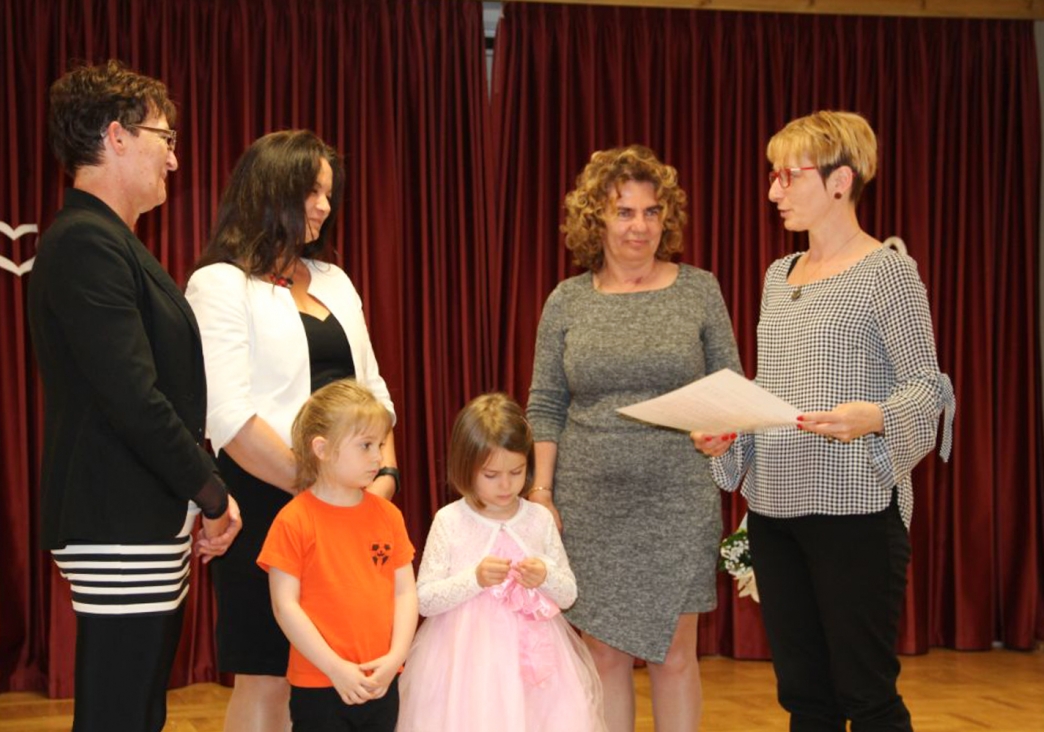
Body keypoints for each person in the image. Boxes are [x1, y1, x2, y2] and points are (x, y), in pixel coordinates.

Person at [693, 110, 955, 731]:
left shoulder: (888, 271)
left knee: (866, 694)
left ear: (841, 180)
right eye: (772, 175)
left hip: (855, 512)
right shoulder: (777, 276)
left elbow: (929, 387)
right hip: (774, 513)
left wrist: (877, 416)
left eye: (788, 175)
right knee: (804, 697)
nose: (773, 191)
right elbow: (772, 390)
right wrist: (730, 433)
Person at [27, 59, 242, 732]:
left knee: (137, 711)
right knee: (121, 714)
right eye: (165, 138)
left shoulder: (107, 240)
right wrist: (210, 490)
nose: (174, 159)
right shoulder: (86, 243)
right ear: (116, 137)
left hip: (138, 516)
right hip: (117, 517)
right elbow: (133, 396)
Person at [185, 129, 400, 731]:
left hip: (353, 508)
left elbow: (375, 393)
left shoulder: (335, 280)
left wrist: (382, 480)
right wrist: (318, 494)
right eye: (312, 192)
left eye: (329, 194)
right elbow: (228, 417)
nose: (324, 207)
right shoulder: (220, 283)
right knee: (268, 674)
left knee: (338, 670)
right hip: (266, 502)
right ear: (270, 190)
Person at [526, 145, 742, 732]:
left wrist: (722, 430)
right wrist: (541, 493)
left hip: (679, 500)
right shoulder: (567, 300)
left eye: (652, 212)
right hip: (591, 504)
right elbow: (545, 404)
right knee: (603, 654)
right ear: (595, 219)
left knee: (675, 655)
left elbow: (730, 387)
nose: (640, 226)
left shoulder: (699, 290)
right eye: (624, 212)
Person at [397, 393, 606, 732]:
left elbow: (568, 594)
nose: (506, 485)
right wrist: (474, 579)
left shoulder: (538, 518)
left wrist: (545, 576)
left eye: (516, 472)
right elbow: (426, 599)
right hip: (468, 667)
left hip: (537, 667)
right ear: (466, 467)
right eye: (491, 475)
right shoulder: (450, 520)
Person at [257, 379, 417, 732]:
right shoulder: (294, 520)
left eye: (380, 445)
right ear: (322, 449)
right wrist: (335, 668)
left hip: (381, 679)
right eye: (365, 445)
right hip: (320, 684)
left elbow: (405, 591)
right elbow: (285, 606)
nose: (378, 457)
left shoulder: (388, 516)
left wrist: (395, 658)